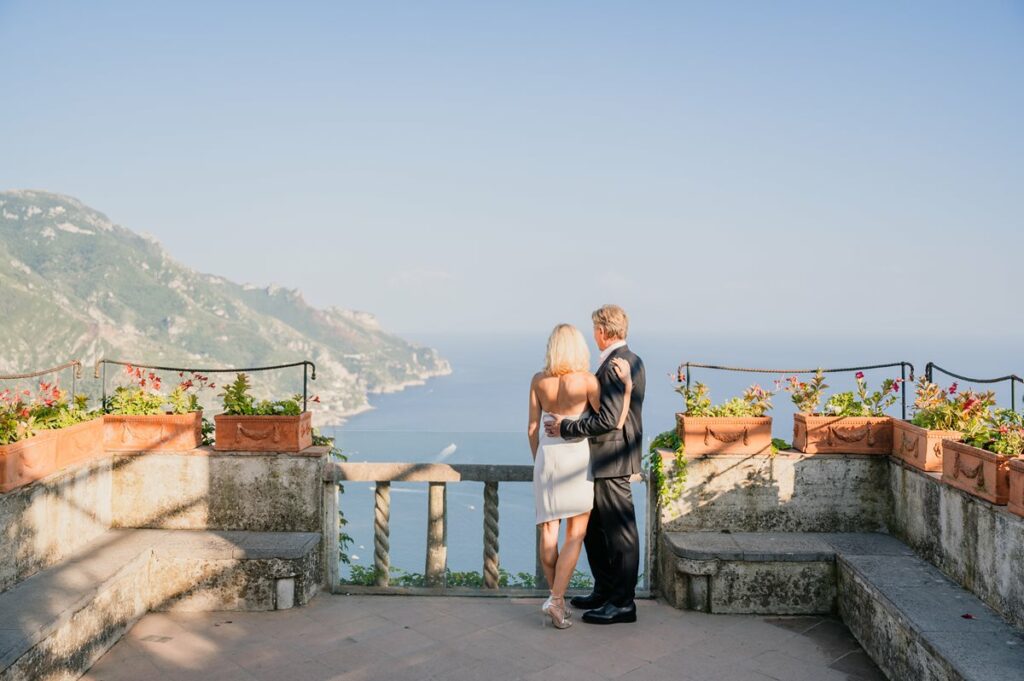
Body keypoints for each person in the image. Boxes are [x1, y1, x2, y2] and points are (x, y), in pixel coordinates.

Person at [544, 304, 645, 625]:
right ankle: (604, 589)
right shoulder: (624, 361)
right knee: (594, 532)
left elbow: (610, 419)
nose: (593, 335)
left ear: (602, 331)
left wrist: (566, 428)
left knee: (621, 534)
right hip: (600, 461)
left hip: (613, 460)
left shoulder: (619, 363)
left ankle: (623, 603)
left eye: (594, 330)